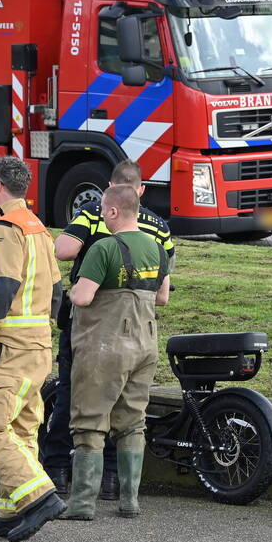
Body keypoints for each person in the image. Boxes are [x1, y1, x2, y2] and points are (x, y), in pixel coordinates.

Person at [43, 159, 174, 500]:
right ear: (140, 190)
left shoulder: (94, 220)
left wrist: (75, 290)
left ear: (110, 202)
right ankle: (117, 487)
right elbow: (163, 294)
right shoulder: (158, 233)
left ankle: (62, 477)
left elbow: (65, 253)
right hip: (144, 337)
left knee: (77, 403)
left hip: (98, 335)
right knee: (130, 417)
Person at [0, 156, 66, 542]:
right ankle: (11, 508)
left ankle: (39, 497)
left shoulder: (5, 229)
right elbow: (56, 291)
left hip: (7, 348)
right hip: (36, 345)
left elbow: (0, 290)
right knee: (22, 428)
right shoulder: (37, 227)